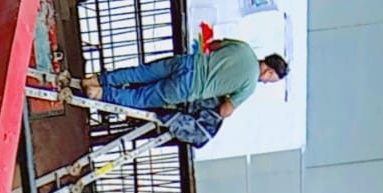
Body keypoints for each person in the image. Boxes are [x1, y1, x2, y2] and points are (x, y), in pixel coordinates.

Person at [83, 42, 288, 119]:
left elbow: (214, 45)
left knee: (140, 73)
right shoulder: (249, 86)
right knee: (141, 97)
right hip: (188, 88)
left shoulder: (244, 48)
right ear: (269, 72)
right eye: (270, 80)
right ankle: (101, 94)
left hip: (187, 62)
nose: (265, 82)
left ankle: (96, 79)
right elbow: (224, 111)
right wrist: (226, 98)